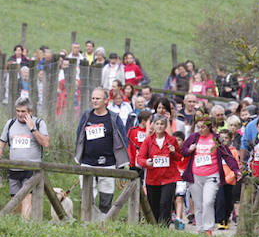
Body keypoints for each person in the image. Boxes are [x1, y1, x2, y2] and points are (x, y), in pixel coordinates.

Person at [74, 86, 131, 218]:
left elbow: (123, 141)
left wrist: (121, 164)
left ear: (106, 101)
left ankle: (102, 224)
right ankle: (88, 224)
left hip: (108, 164)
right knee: (87, 199)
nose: (94, 101)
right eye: (93, 98)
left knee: (106, 200)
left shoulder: (114, 118)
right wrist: (78, 157)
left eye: (98, 98)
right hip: (87, 162)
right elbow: (79, 136)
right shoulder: (86, 116)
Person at [180, 113, 240, 235]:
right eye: (198, 127)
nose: (200, 130)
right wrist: (189, 150)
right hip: (195, 176)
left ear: (209, 127)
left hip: (212, 175)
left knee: (208, 201)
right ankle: (200, 229)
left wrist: (236, 170)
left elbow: (227, 155)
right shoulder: (193, 137)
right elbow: (183, 151)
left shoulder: (217, 139)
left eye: (203, 127)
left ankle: (208, 229)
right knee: (198, 204)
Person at [0, 98, 49, 220]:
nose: (20, 114)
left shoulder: (39, 123)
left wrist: (33, 129)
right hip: (14, 169)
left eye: (23, 111)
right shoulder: (10, 123)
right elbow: (1, 144)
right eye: (18, 111)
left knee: (26, 198)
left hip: (32, 169)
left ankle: (25, 225)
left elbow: (46, 143)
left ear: (30, 111)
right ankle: (19, 227)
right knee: (15, 202)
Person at [137, 115, 182, 225]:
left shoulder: (172, 140)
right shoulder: (148, 141)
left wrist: (173, 152)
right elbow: (140, 158)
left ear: (166, 126)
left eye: (162, 124)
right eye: (157, 124)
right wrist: (146, 163)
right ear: (153, 125)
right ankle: (155, 228)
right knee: (154, 206)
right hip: (153, 179)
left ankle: (164, 228)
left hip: (169, 178)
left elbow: (179, 157)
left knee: (165, 204)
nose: (159, 126)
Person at [215, 128, 241, 229]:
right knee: (220, 200)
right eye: (222, 138)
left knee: (228, 201)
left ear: (231, 139)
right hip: (219, 179)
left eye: (226, 138)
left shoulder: (233, 152)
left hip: (230, 180)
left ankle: (226, 218)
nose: (224, 140)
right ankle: (220, 220)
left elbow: (236, 165)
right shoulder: (216, 150)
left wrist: (230, 177)